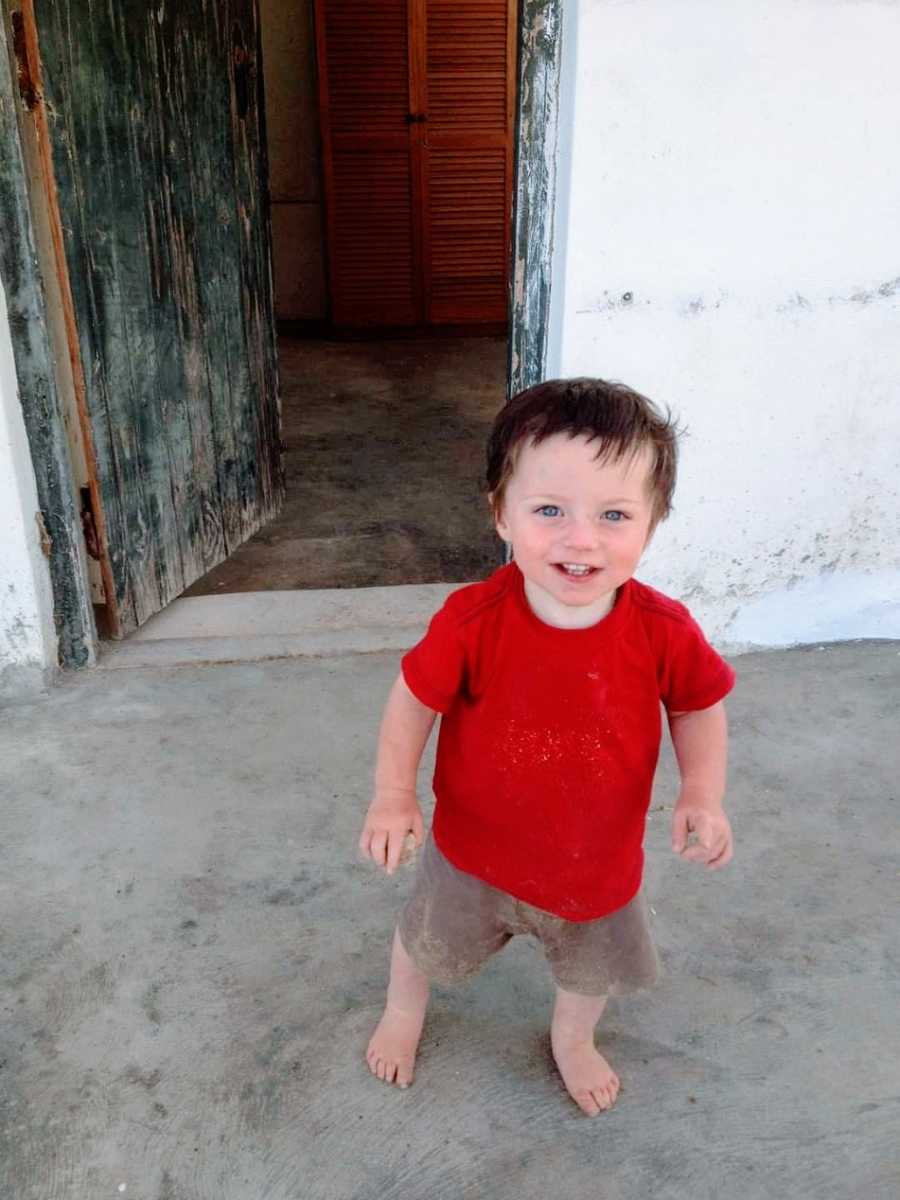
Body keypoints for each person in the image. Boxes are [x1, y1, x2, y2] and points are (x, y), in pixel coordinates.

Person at [358, 377, 735, 1116]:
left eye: (615, 514)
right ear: (501, 513)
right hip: (473, 854)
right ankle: (403, 1014)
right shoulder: (474, 621)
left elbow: (698, 706)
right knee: (425, 941)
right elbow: (412, 702)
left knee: (588, 973)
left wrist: (702, 793)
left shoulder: (663, 629)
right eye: (549, 510)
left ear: (653, 523)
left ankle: (571, 1041)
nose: (581, 538)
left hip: (596, 866)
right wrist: (393, 795)